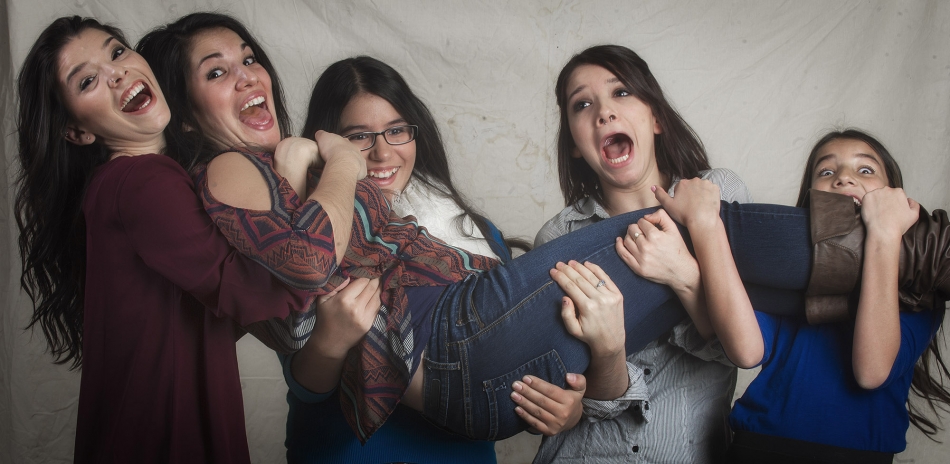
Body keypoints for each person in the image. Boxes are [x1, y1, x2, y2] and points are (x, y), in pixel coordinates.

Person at [140, 12, 893, 443]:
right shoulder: (263, 173)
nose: (246, 76)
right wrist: (329, 161)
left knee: (720, 238)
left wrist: (580, 393)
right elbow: (305, 290)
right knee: (708, 225)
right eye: (215, 70)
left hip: (482, 388)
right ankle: (911, 248)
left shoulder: (461, 224)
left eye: (248, 59)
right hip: (448, 361)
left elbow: (742, 342)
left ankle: (899, 263)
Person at [13, 16, 314, 463]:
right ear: (77, 131)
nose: (117, 72)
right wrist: (330, 173)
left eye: (117, 51)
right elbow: (268, 289)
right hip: (169, 441)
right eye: (89, 80)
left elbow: (212, 313)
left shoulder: (128, 184)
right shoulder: (142, 181)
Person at [279, 55, 585, 463]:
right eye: (358, 137)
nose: (382, 153)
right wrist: (332, 342)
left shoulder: (475, 235)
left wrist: (565, 407)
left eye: (396, 131)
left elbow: (509, 361)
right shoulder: (306, 232)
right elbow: (305, 388)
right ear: (328, 145)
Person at [660, 129, 950, 463]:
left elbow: (871, 372)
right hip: (758, 447)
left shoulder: (919, 293)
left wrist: (885, 234)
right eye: (826, 172)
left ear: (895, 196)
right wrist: (704, 223)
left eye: (865, 170)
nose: (843, 178)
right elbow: (746, 349)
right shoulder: (792, 282)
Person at [526, 44, 748, 463]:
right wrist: (607, 354)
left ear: (657, 117)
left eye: (621, 92)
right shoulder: (557, 239)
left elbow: (739, 346)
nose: (604, 112)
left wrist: (682, 273)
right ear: (574, 142)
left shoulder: (718, 197)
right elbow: (586, 395)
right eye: (582, 104)